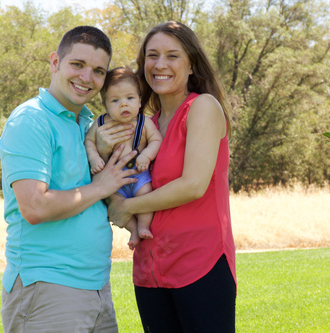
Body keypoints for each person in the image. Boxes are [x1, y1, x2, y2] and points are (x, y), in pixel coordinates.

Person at [0, 26, 139, 333]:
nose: (87, 77)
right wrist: (100, 186)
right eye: (78, 65)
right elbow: (35, 206)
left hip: (97, 286)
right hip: (48, 287)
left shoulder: (89, 124)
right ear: (54, 63)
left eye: (98, 71)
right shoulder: (31, 120)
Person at [97, 21, 237, 332]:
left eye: (172, 56)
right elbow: (116, 181)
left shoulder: (202, 107)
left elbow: (193, 185)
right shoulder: (145, 124)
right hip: (150, 269)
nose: (160, 64)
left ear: (191, 64)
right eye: (152, 55)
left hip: (201, 264)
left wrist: (127, 208)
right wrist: (102, 151)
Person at [85, 67, 162, 250]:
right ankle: (133, 230)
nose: (124, 105)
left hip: (138, 175)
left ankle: (143, 225)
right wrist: (95, 158)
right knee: (113, 200)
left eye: (130, 98)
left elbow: (156, 140)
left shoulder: (144, 123)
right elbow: (88, 141)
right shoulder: (101, 123)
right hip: (113, 181)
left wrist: (146, 155)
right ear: (105, 105)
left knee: (146, 194)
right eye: (115, 100)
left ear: (139, 99)